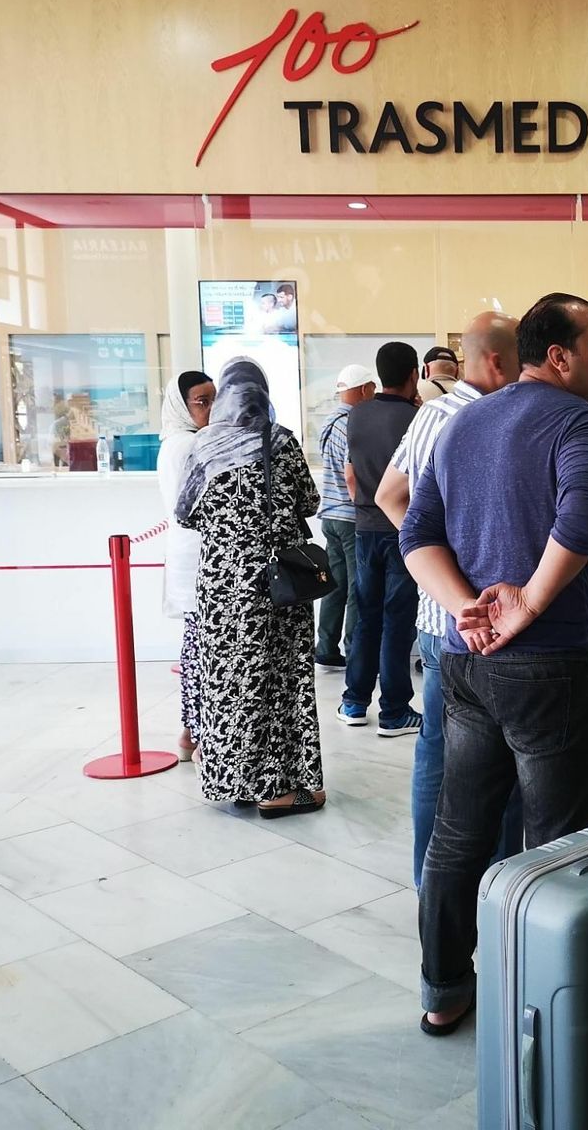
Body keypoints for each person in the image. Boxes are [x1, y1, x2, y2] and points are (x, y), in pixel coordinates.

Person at [401, 291, 588, 1034]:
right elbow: (583, 516)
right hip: (550, 667)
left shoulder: (465, 422)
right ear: (558, 355)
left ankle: (443, 989)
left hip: (466, 665)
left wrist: (466, 605)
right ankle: (541, 1005)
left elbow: (416, 533)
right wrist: (523, 603)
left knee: (459, 834)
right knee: (558, 847)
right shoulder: (579, 420)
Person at [376, 313, 528, 890]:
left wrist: (434, 572)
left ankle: (435, 886)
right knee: (464, 763)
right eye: (522, 358)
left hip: (446, 615)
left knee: (446, 761)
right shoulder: (461, 416)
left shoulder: (433, 413)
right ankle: (477, 888)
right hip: (466, 622)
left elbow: (391, 496)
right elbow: (398, 500)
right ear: (497, 361)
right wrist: (454, 576)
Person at [175, 357, 324, 818]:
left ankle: (236, 781)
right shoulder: (281, 441)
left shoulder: (202, 446)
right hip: (279, 583)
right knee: (282, 680)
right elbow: (310, 501)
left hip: (222, 586)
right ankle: (277, 789)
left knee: (231, 681)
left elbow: (185, 512)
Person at [339, 342, 423, 735]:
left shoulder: (356, 415)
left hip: (364, 528)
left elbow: (352, 473)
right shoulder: (416, 418)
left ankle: (354, 701)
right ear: (414, 374)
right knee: (397, 620)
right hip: (402, 528)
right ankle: (394, 710)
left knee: (366, 616)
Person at [157, 369, 214, 761]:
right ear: (182, 405)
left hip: (188, 556)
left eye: (214, 399)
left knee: (196, 650)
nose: (211, 408)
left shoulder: (177, 442)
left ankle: (191, 733)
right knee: (202, 653)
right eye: (202, 401)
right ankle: (195, 734)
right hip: (198, 559)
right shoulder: (187, 447)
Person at [314, 364, 375, 669]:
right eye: (372, 389)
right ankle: (355, 650)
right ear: (363, 389)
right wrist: (364, 507)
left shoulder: (329, 421)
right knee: (356, 587)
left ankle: (325, 647)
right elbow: (352, 476)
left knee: (335, 584)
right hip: (350, 517)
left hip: (330, 516)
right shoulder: (351, 424)